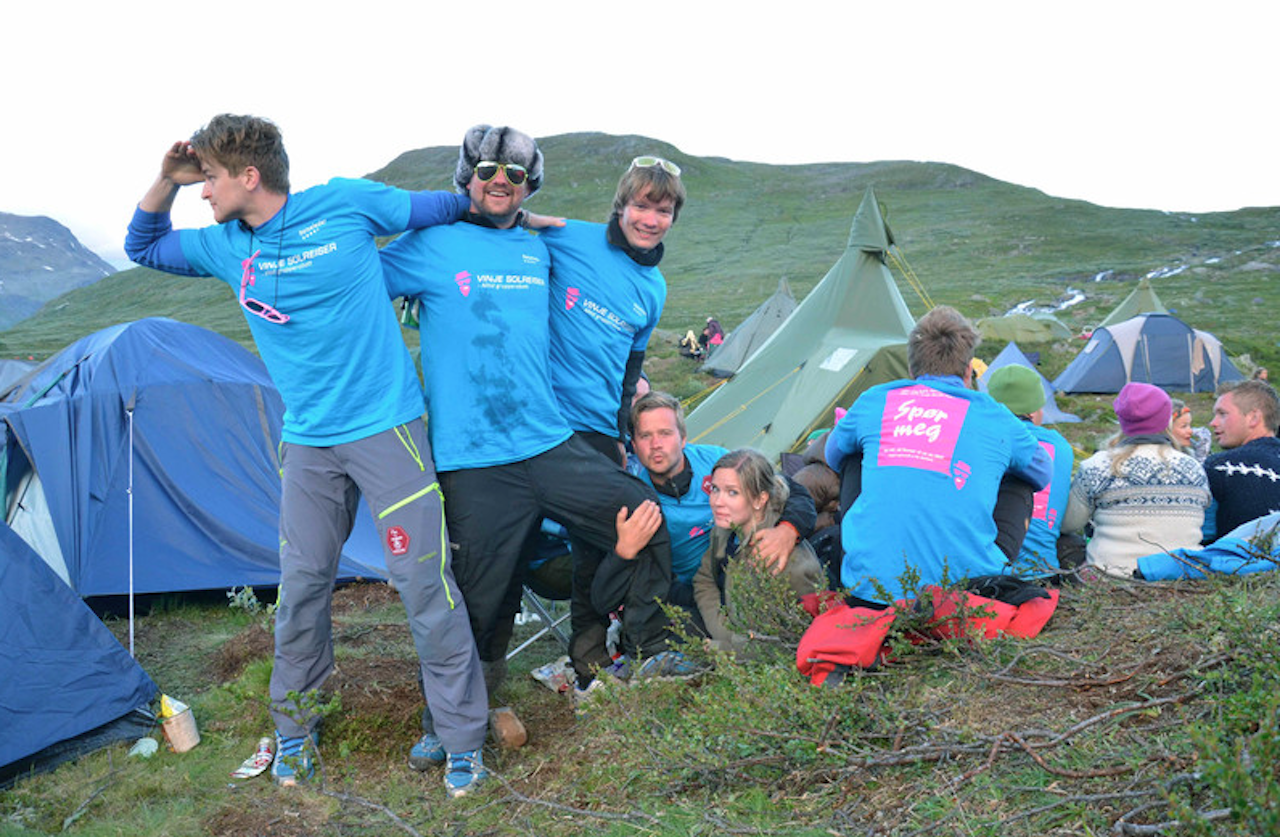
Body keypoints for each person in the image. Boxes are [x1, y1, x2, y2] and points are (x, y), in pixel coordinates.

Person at [122, 114, 488, 796]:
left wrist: (509, 209)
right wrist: (167, 180)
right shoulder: (226, 246)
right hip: (310, 443)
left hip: (386, 429)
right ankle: (294, 731)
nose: (205, 192)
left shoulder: (346, 203)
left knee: (422, 584)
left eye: (210, 179)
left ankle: (463, 738)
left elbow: (446, 207)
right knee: (301, 588)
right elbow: (141, 244)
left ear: (249, 176)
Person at [378, 125, 677, 731]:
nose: (500, 182)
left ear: (528, 185)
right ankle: (458, 715)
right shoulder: (431, 242)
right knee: (481, 593)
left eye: (514, 175)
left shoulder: (536, 248)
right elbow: (358, 287)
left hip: (549, 439)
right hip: (473, 456)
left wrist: (622, 432)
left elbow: (627, 357)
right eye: (486, 171)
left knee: (643, 514)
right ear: (466, 178)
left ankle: (641, 658)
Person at [537, 157, 684, 691]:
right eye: (642, 205)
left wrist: (621, 436)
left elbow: (629, 371)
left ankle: (627, 656)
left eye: (663, 210)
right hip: (540, 422)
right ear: (622, 204)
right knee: (522, 548)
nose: (651, 219)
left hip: (598, 432)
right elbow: (505, 224)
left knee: (617, 538)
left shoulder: (654, 288)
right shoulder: (570, 237)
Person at [824, 306, 1052, 606]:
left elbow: (832, 455)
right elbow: (1042, 472)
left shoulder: (875, 399)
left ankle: (870, 559)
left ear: (911, 370)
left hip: (868, 592)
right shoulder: (994, 414)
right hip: (965, 593)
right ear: (968, 371)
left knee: (853, 455)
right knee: (1021, 478)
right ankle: (987, 566)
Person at [1062, 382, 1210, 577]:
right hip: (1182, 576)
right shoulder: (1193, 467)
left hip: (1113, 578)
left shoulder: (1097, 466)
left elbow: (1068, 524)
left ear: (1121, 418)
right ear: (1166, 419)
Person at [692, 449, 825, 654]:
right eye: (715, 489)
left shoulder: (790, 564)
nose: (717, 501)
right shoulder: (724, 531)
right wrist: (725, 633)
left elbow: (798, 644)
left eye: (732, 492)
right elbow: (704, 580)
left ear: (759, 499)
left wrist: (725, 649)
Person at [985, 365, 1076, 578]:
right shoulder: (1060, 447)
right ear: (1034, 411)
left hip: (987, 571)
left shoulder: (982, 438)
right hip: (1043, 571)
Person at [1203, 379, 1280, 538]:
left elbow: (1202, 535)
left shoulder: (1220, 468)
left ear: (1253, 418)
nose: (1213, 423)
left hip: (1239, 554)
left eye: (1222, 414)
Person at [1168, 398, 1212, 464]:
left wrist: (1202, 456)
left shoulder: (1191, 454)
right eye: (1184, 426)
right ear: (1167, 430)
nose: (1190, 431)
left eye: (1190, 425)